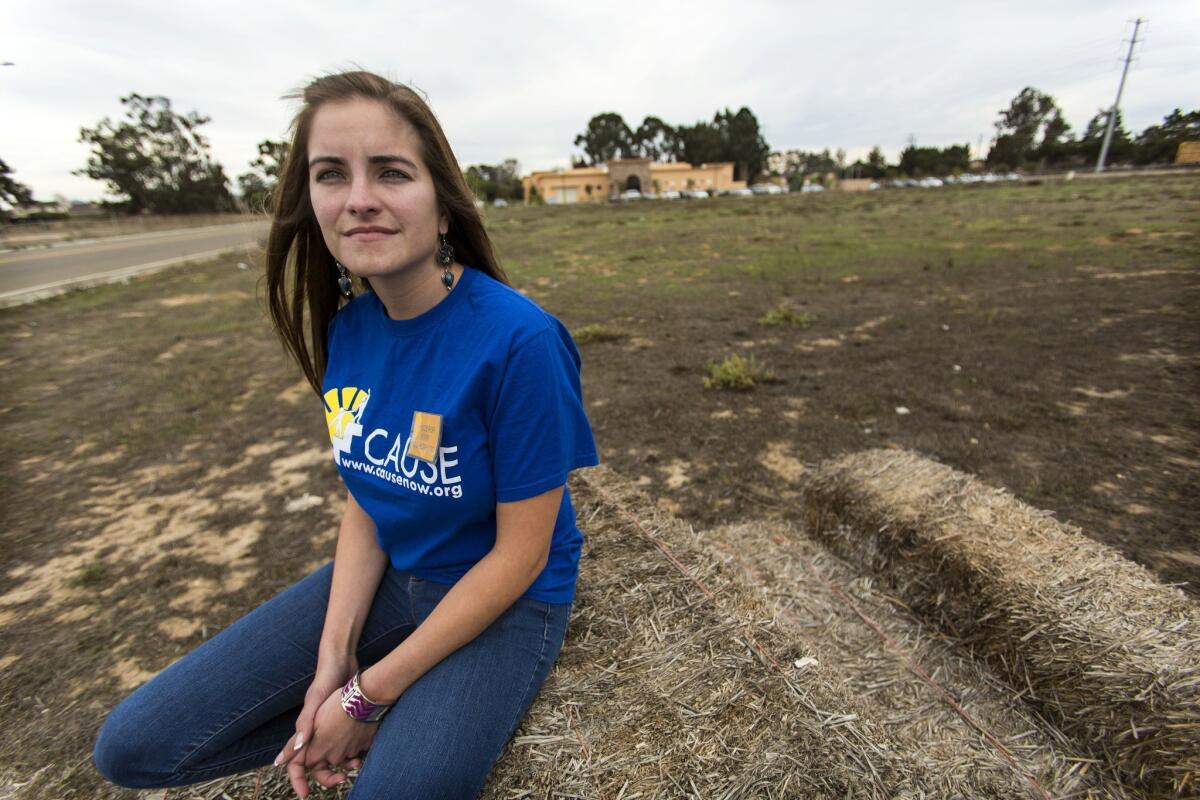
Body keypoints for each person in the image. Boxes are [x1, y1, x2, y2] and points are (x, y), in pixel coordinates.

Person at [91, 69, 600, 799]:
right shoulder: (349, 329)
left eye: (391, 172)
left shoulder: (521, 341)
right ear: (313, 203)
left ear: (444, 207)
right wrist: (334, 663)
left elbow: (520, 557)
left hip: (506, 600)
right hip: (399, 578)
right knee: (133, 748)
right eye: (332, 174)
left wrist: (368, 697)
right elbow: (368, 497)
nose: (359, 197)